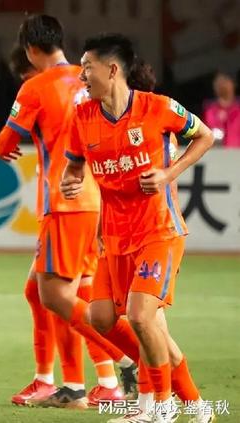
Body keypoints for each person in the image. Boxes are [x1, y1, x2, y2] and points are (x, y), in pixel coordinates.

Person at [61, 33, 215, 423]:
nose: (81, 75)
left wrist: (168, 173)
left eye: (87, 67)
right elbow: (74, 165)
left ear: (112, 69)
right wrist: (70, 180)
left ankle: (160, 406)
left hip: (158, 230)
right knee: (102, 319)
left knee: (142, 317)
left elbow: (205, 135)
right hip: (114, 237)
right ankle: (195, 405)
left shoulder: (157, 108)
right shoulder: (82, 117)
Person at [0, 14, 136, 409]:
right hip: (99, 198)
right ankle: (86, 384)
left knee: (54, 295)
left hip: (66, 201)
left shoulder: (36, 86)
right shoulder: (89, 79)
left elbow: (4, 143)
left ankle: (127, 360)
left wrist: (4, 147)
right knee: (63, 291)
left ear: (30, 50)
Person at [202, 71, 240, 148]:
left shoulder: (238, 109)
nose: (223, 85)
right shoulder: (210, 111)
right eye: (219, 83)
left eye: (225, 81)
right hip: (218, 152)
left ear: (233, 84)